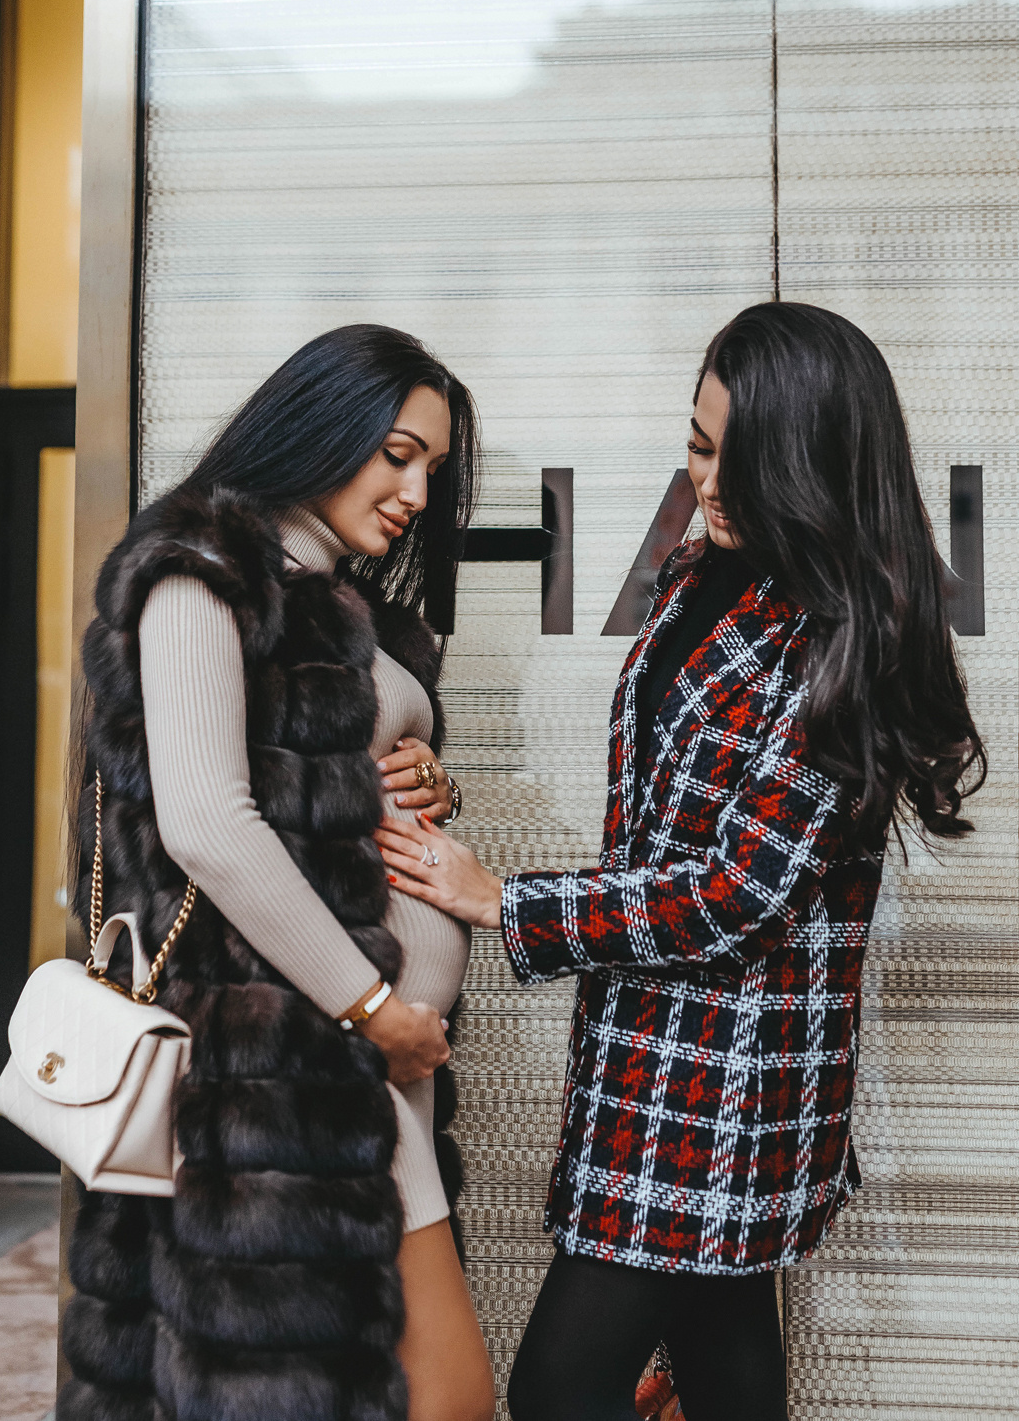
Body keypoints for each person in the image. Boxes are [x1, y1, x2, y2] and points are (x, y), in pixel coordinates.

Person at [375, 302, 986, 1421]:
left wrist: (501, 897)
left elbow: (735, 891)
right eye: (697, 445)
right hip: (646, 1044)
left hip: (729, 1081)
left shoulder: (845, 638)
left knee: (560, 1390)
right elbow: (660, 799)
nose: (703, 481)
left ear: (804, 463)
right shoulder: (707, 574)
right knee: (723, 1371)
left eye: (734, 458)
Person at [59, 324, 495, 1421]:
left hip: (360, 1073)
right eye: (396, 453)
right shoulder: (202, 572)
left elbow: (307, 790)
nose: (413, 493)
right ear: (320, 423)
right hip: (286, 1082)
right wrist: (372, 1008)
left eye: (431, 470)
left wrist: (415, 779)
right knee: (432, 1398)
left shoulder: (331, 602)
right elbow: (208, 822)